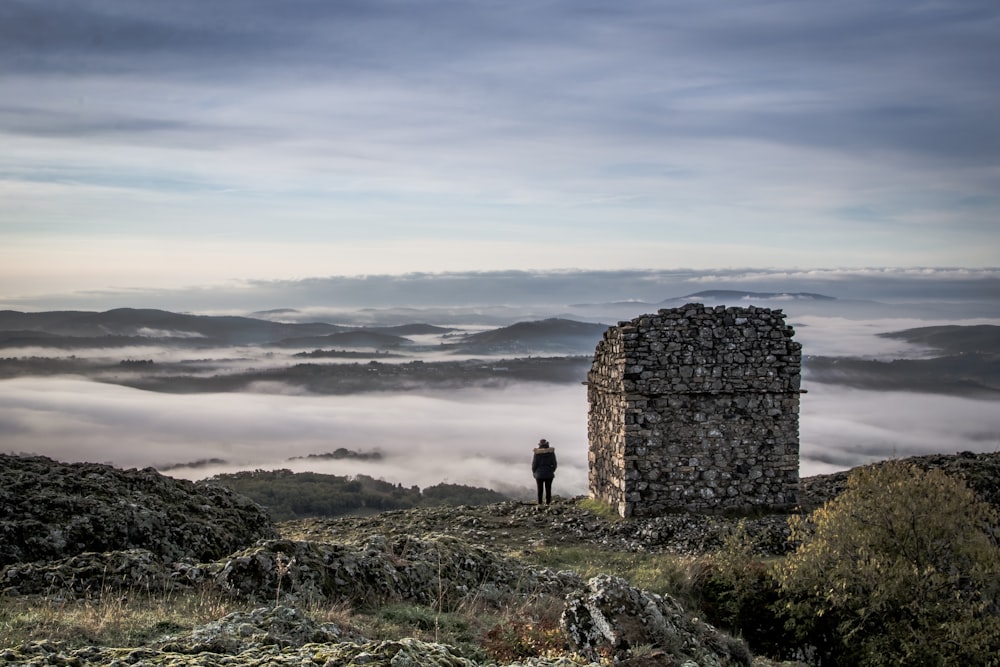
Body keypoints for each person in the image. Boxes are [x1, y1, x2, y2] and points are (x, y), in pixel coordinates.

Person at [531, 438, 557, 505]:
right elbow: (554, 463)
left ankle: (540, 503)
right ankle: (548, 503)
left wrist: (534, 472)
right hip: (549, 473)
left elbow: (534, 464)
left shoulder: (537, 453)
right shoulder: (551, 452)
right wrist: (552, 470)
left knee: (540, 489)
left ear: (539, 444)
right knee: (548, 489)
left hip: (539, 474)